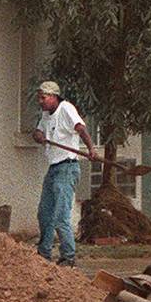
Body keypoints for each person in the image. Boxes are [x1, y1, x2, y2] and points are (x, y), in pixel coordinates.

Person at [31, 81, 99, 267]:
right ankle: (44, 253)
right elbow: (38, 132)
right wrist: (38, 136)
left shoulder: (66, 108)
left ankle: (68, 256)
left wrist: (91, 149)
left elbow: (80, 128)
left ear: (53, 96)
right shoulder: (46, 115)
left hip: (67, 168)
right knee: (44, 213)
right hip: (53, 168)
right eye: (40, 98)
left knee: (61, 216)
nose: (41, 101)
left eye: (43, 98)